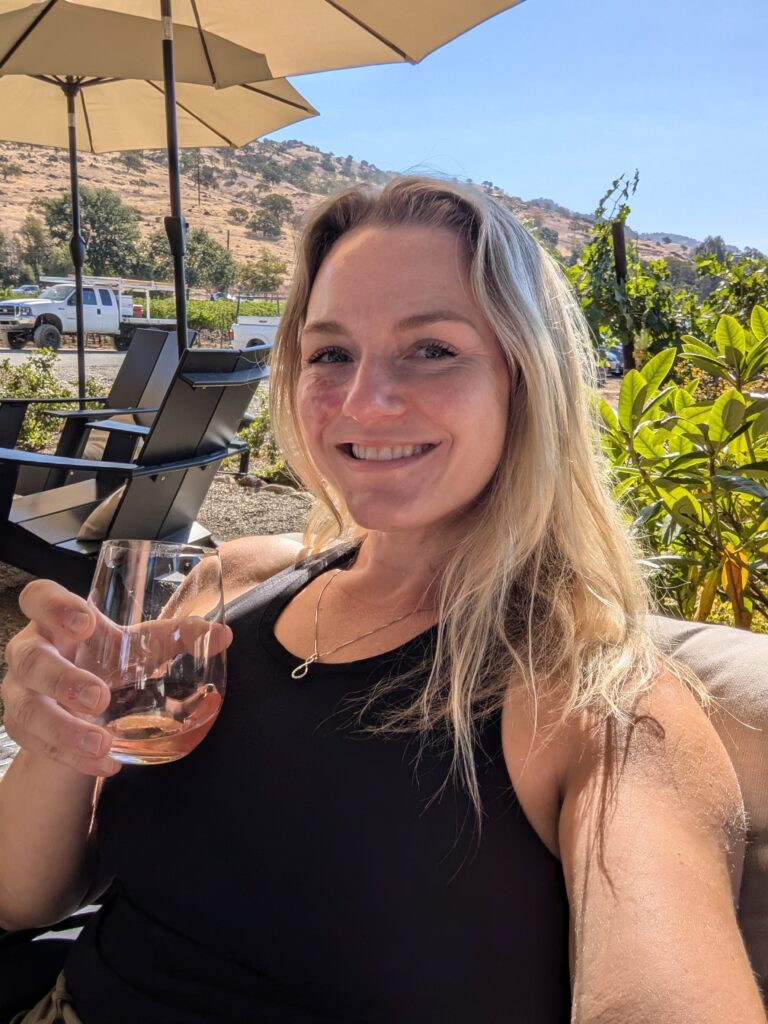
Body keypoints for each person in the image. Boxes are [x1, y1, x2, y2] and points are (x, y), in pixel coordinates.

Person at [0, 177, 764, 1024]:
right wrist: (56, 732)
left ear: (526, 380)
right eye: (330, 354)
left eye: (431, 348)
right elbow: (24, 895)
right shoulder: (228, 587)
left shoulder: (596, 702)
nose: (363, 401)